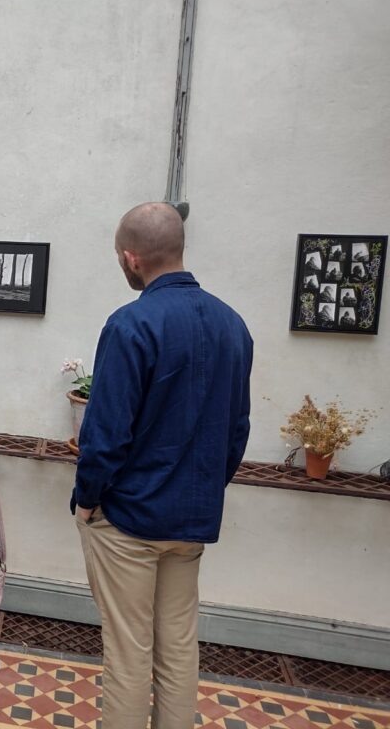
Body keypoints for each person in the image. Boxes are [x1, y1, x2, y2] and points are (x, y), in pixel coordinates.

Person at [72, 203, 252, 729]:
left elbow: (105, 435)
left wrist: (87, 500)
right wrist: (202, 488)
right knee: (177, 650)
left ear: (131, 258)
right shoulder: (232, 324)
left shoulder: (130, 325)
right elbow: (236, 431)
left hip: (127, 518)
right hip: (190, 519)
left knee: (127, 655)